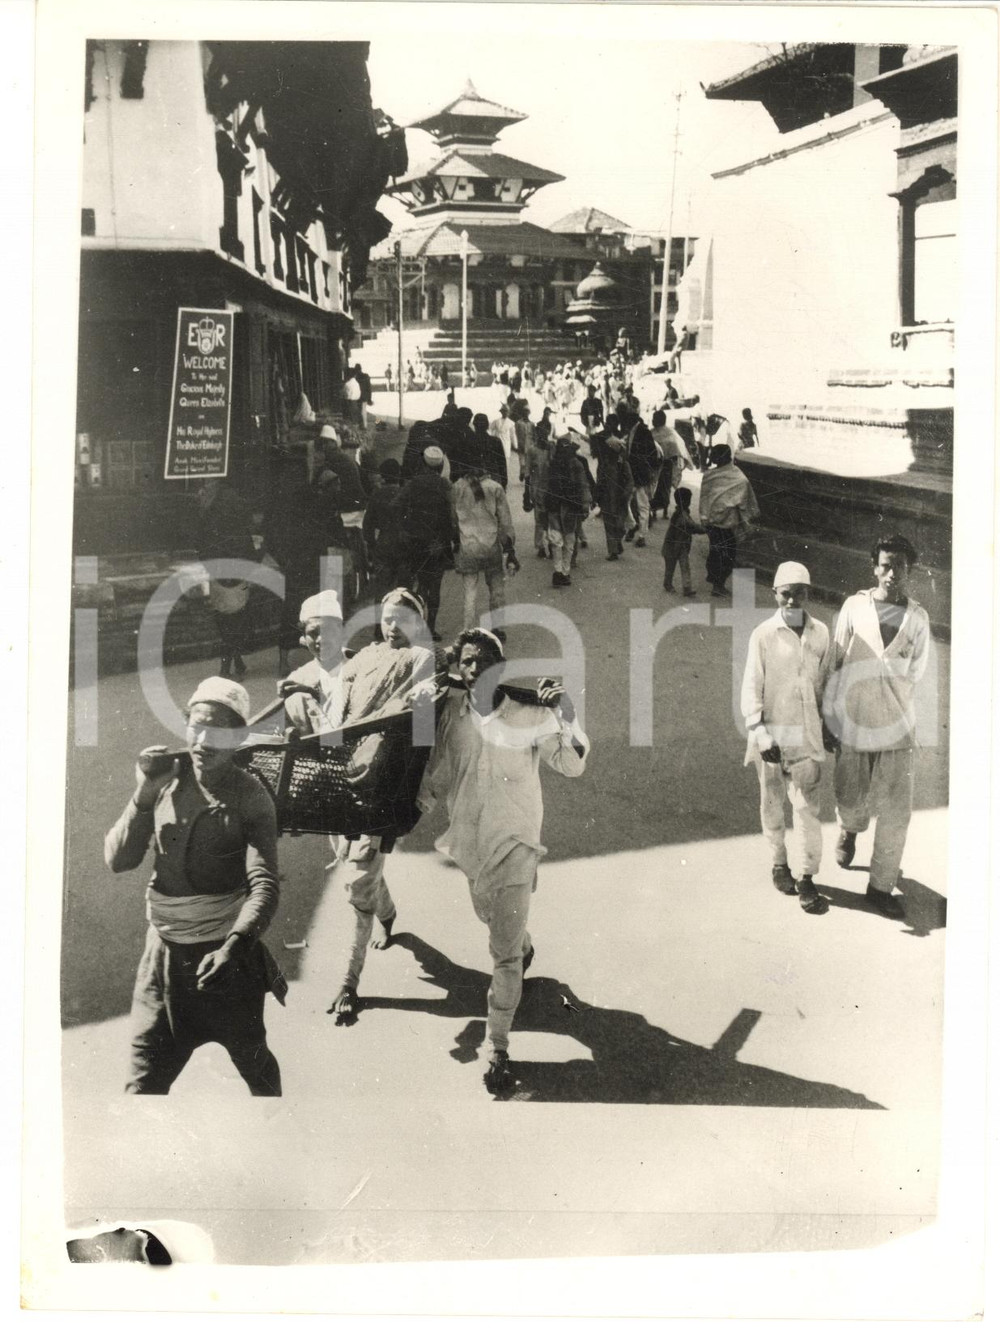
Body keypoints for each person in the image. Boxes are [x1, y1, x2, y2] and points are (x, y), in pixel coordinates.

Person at [416, 630, 589, 1094]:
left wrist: (566, 714)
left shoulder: (530, 713)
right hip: (470, 844)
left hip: (517, 844)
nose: (474, 669)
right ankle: (522, 942)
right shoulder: (450, 717)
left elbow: (572, 765)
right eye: (466, 662)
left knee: (503, 954)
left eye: (483, 660)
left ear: (500, 666)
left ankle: (498, 1046)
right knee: (493, 922)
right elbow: (437, 774)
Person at [105, 677, 285, 1095]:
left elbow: (264, 885)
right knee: (142, 1084)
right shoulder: (164, 780)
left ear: (238, 738)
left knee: (256, 1067)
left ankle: (281, 1138)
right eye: (197, 727)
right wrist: (144, 793)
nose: (204, 741)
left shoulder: (251, 796)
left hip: (228, 962)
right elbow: (118, 860)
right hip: (163, 961)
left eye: (219, 731)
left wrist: (234, 947)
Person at [312, 589, 440, 1020]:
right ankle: (388, 914)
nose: (392, 625)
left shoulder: (422, 658)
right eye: (387, 617)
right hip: (344, 769)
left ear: (418, 623)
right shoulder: (364, 657)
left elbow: (422, 732)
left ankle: (349, 982)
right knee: (350, 859)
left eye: (403, 617)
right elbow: (338, 706)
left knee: (359, 878)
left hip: (385, 778)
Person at [823, 535, 931, 920]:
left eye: (899, 565)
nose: (891, 573)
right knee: (851, 792)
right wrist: (828, 717)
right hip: (854, 721)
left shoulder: (918, 620)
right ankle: (849, 831)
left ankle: (880, 885)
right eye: (884, 565)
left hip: (899, 726)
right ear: (874, 567)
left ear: (909, 570)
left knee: (897, 810)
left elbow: (915, 672)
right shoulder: (855, 607)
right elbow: (834, 662)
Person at [740, 563, 831, 914]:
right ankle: (780, 863)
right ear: (774, 594)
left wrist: (828, 727)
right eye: (785, 592)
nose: (792, 599)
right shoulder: (763, 634)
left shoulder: (820, 633)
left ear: (809, 593)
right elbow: (751, 684)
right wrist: (759, 732)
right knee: (773, 803)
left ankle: (808, 875)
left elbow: (825, 684)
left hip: (807, 737)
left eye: (800, 592)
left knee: (808, 809)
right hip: (773, 737)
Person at [196, 478, 257, 681]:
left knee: (224, 616)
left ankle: (232, 662)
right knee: (236, 615)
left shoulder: (208, 507)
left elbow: (200, 541)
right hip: (236, 565)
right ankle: (229, 664)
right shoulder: (232, 504)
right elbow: (245, 538)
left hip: (218, 567)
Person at [395, 446, 454, 641]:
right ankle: (430, 628)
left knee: (415, 585)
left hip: (415, 542)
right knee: (434, 587)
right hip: (436, 544)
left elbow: (396, 505)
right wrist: (449, 540)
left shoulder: (413, 484)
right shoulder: (444, 485)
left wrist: (406, 526)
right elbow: (450, 517)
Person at [451, 466, 519, 632]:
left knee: (470, 592)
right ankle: (497, 629)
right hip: (491, 546)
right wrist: (509, 548)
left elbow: (453, 520)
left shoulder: (457, 487)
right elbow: (505, 522)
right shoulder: (495, 487)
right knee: (496, 590)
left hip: (467, 547)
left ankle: (468, 630)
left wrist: (455, 542)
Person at [698, 444, 759, 596]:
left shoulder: (732, 477)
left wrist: (705, 517)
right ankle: (718, 585)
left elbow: (705, 499)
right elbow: (704, 497)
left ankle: (716, 581)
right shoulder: (733, 477)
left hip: (719, 522)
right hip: (720, 523)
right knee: (725, 554)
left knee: (718, 552)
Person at [543, 429, 591, 588]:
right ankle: (561, 572)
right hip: (562, 507)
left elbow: (583, 486)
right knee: (562, 541)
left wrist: (584, 505)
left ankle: (562, 572)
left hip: (564, 507)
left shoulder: (569, 464)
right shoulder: (559, 464)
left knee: (563, 541)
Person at [363, 458, 407, 603]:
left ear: (383, 476)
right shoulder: (405, 494)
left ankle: (379, 624)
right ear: (399, 474)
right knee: (403, 590)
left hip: (383, 545)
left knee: (382, 589)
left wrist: (372, 546)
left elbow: (367, 525)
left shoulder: (377, 495)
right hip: (403, 546)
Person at [593, 414, 634, 561]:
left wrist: (626, 494)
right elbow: (600, 481)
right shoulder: (606, 464)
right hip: (609, 497)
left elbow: (629, 481)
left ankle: (616, 544)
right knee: (611, 523)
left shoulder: (620, 464)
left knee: (617, 524)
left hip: (618, 497)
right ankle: (613, 550)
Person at [619, 404, 658, 547]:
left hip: (639, 474)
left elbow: (651, 454)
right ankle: (634, 527)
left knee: (641, 505)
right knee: (630, 503)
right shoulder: (635, 431)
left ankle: (641, 534)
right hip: (634, 473)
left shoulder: (642, 432)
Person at [660, 486, 703, 595]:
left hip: (676, 545)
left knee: (675, 567)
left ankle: (681, 586)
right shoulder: (683, 516)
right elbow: (693, 527)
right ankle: (678, 586)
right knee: (680, 567)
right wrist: (706, 529)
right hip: (675, 546)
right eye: (688, 500)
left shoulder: (680, 513)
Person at [472, 412, 509, 490]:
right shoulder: (496, 441)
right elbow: (502, 463)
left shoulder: (470, 441)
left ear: (474, 425)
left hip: (475, 481)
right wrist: (504, 482)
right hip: (493, 479)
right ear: (487, 425)